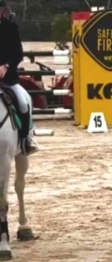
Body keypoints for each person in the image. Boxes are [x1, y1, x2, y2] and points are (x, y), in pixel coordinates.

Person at [0, 0, 38, 155]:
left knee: (23, 102)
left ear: (2, 10)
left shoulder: (11, 28)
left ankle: (25, 140)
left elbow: (18, 53)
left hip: (8, 79)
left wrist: (6, 66)